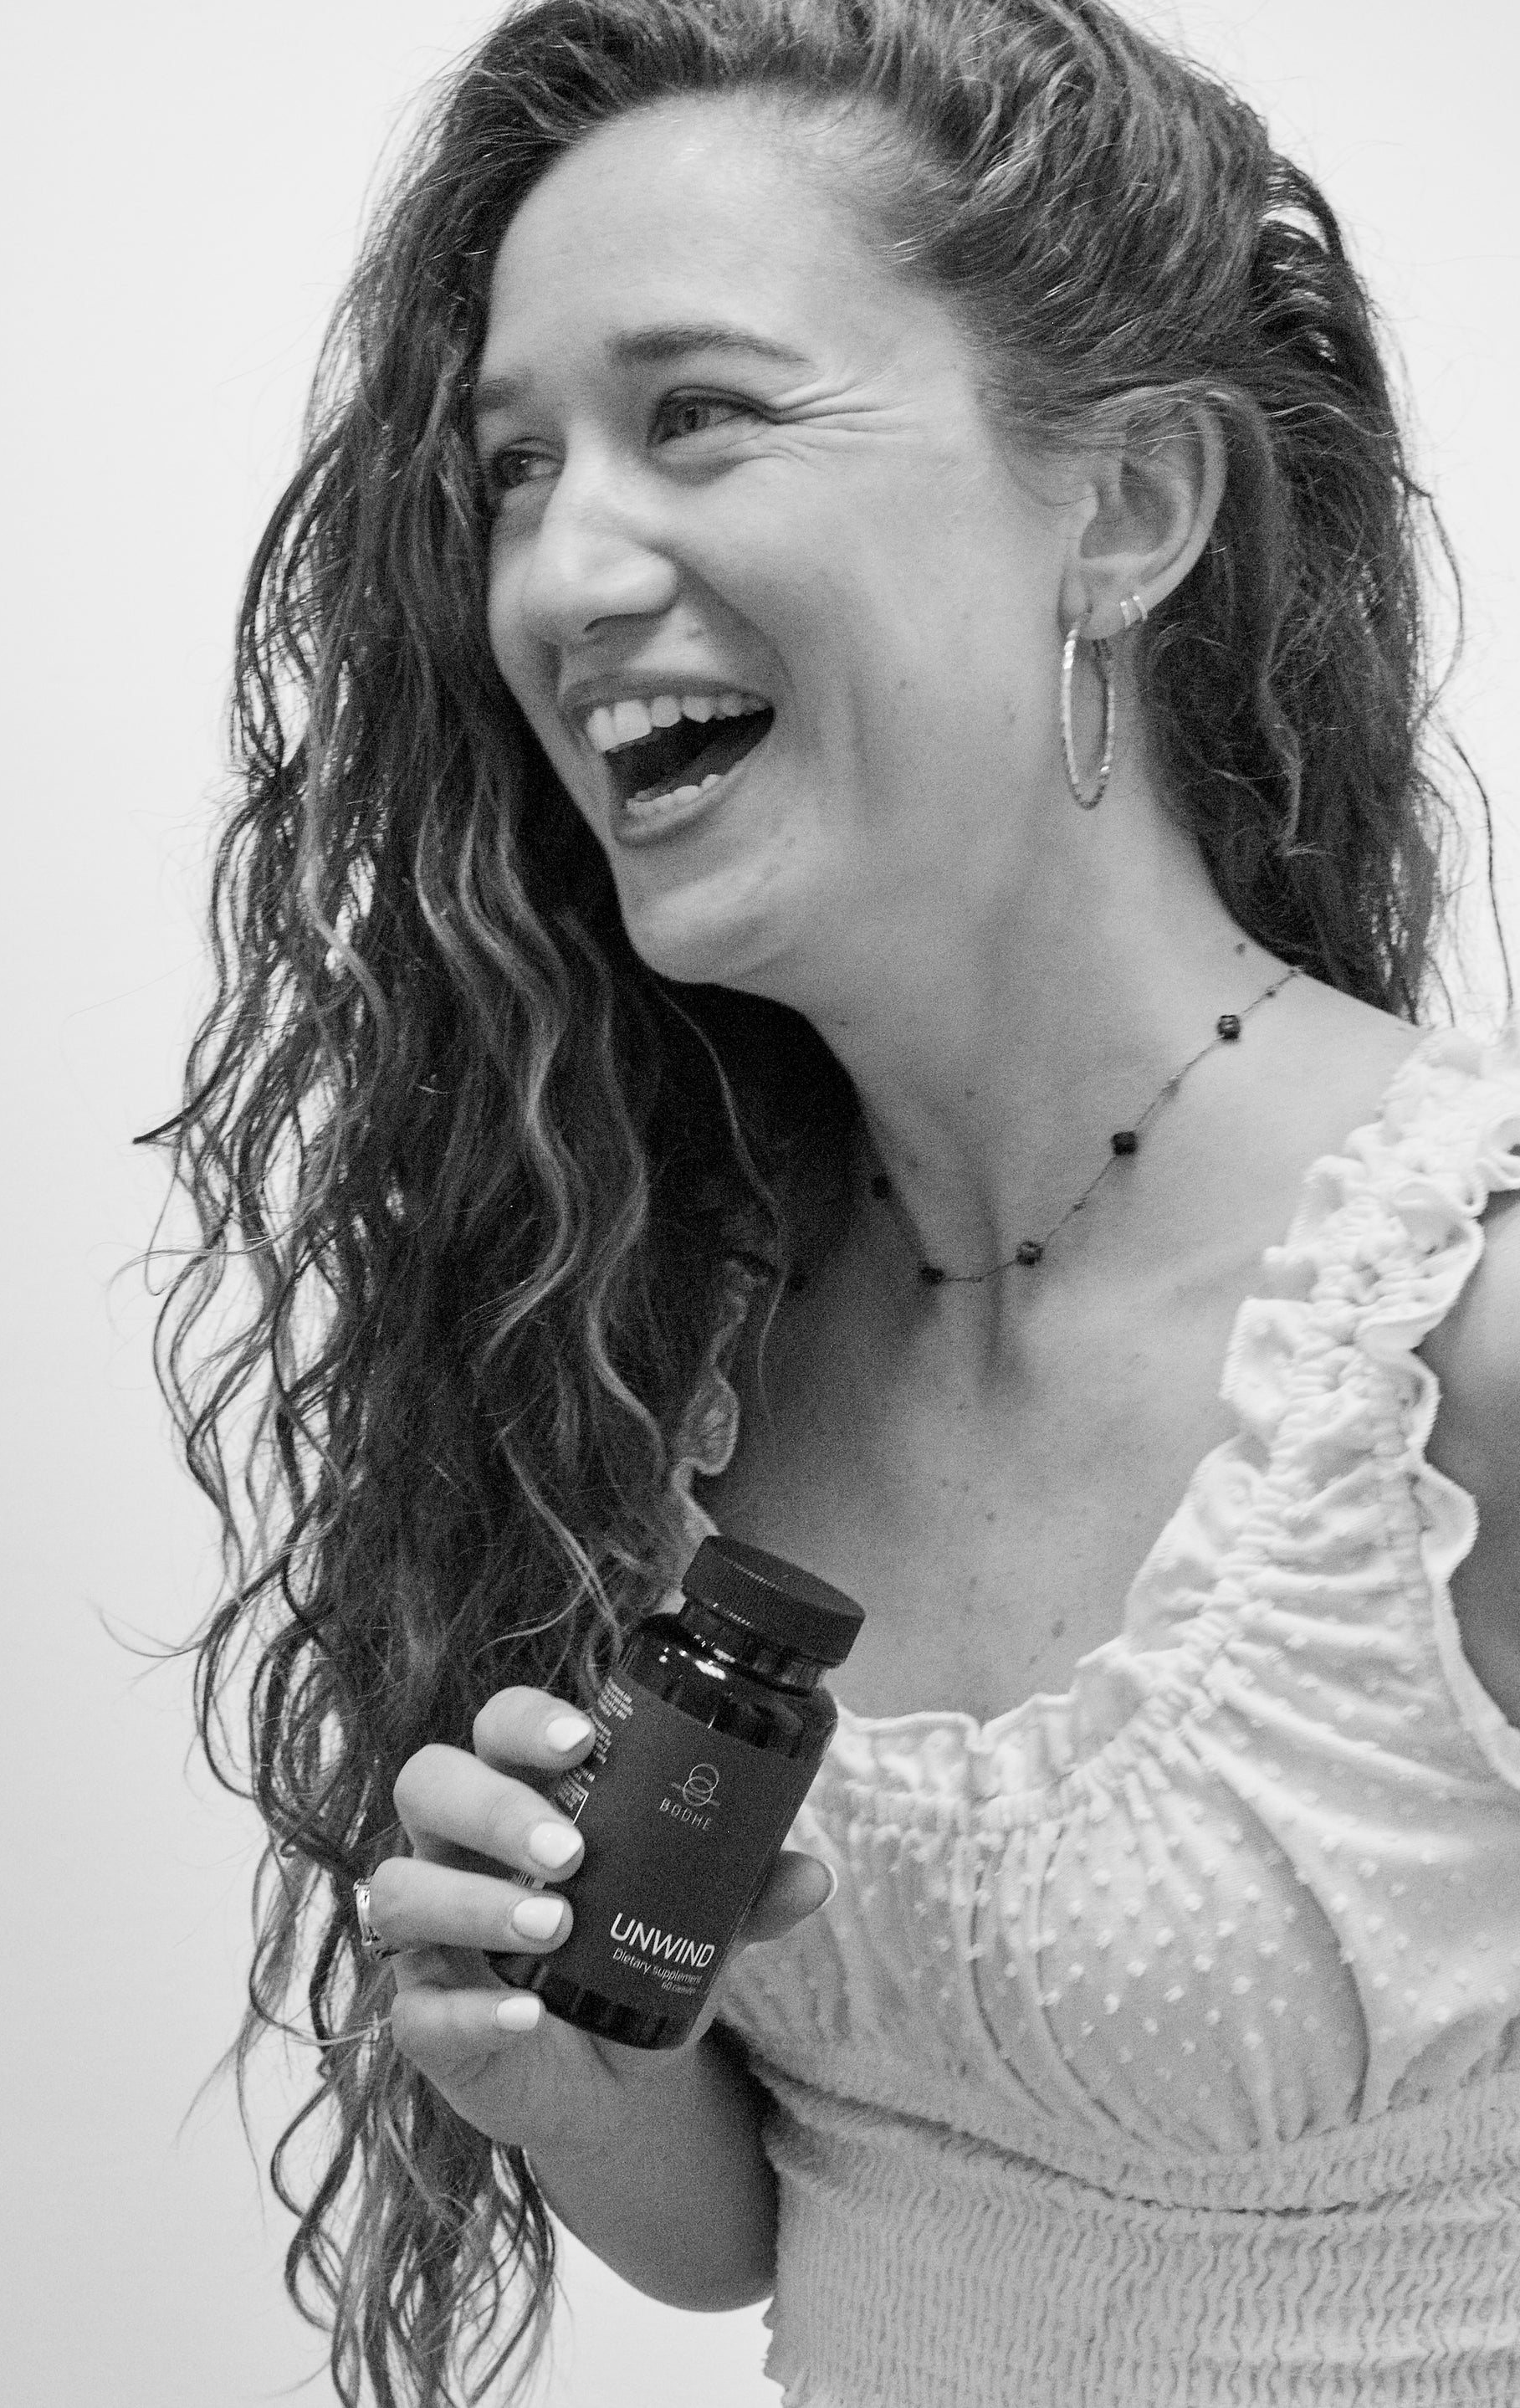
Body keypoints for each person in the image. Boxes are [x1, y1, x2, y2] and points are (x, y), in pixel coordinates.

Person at [149, 0, 1520, 2400]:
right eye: (507, 469)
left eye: (698, 414)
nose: (559, 576)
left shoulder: (1467, 1346)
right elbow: (793, 2231)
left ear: (1130, 509)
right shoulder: (660, 1331)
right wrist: (570, 2061)